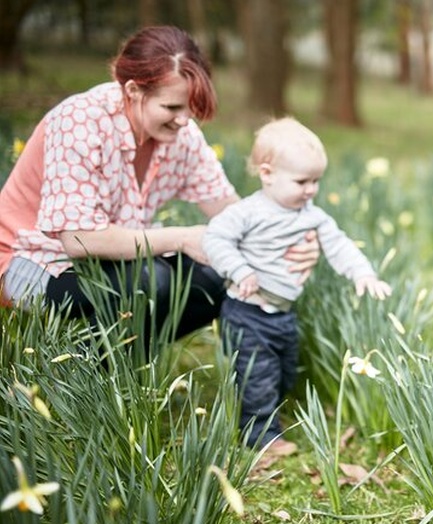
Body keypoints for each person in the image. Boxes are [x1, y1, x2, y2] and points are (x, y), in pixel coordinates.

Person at [0, 26, 319, 347]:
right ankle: (80, 376)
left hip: (113, 267)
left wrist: (292, 240)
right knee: (149, 280)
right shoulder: (79, 121)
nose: (184, 120)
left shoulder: (182, 137)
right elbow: (79, 240)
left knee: (220, 275)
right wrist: (182, 238)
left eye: (190, 107)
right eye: (172, 108)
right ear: (133, 91)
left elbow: (232, 210)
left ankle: (113, 369)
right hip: (30, 262)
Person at [203, 116, 392, 454]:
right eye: (302, 181)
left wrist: (363, 273)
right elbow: (215, 238)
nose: (311, 190)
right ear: (267, 175)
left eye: (316, 181)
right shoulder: (248, 213)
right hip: (248, 310)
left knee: (284, 370)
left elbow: (340, 244)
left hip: (282, 314)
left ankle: (269, 414)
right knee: (256, 376)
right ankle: (261, 439)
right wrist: (240, 269)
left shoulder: (312, 214)